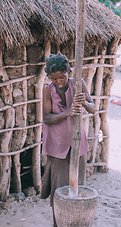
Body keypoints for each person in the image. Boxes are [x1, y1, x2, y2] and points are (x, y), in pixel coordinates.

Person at [41, 52, 96, 226]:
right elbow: (47, 118)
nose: (59, 81)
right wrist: (68, 113)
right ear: (50, 77)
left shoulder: (78, 84)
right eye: (54, 78)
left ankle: (75, 221)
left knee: (77, 187)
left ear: (68, 72)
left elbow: (93, 108)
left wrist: (84, 103)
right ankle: (58, 223)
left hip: (77, 144)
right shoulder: (47, 89)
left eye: (62, 77)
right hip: (57, 146)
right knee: (59, 189)